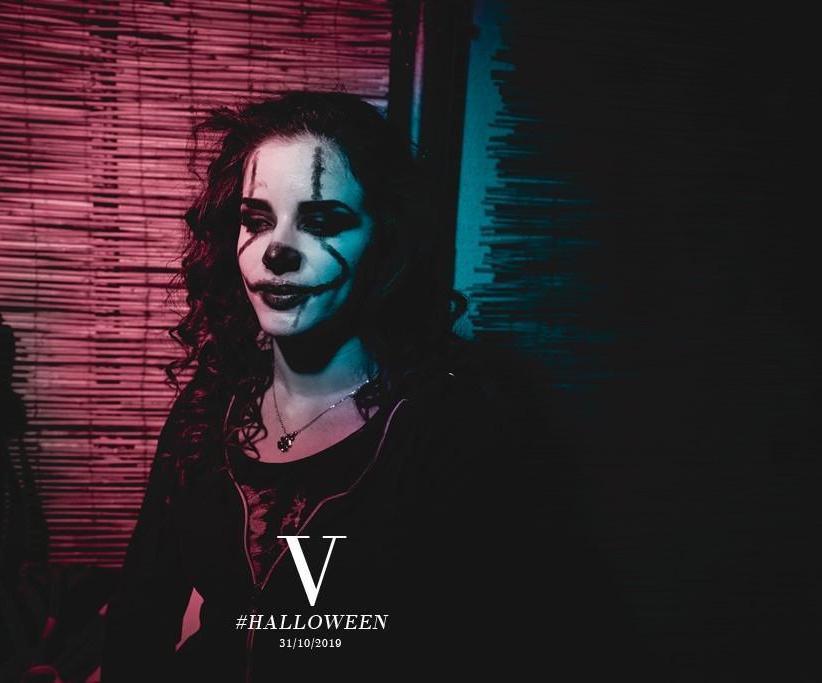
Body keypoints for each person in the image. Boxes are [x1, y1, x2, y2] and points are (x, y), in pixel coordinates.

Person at [101, 91, 634, 682]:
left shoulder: (453, 427)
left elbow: (504, 645)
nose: (277, 252)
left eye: (322, 222)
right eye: (256, 220)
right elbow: (139, 618)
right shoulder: (208, 408)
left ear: (386, 239)